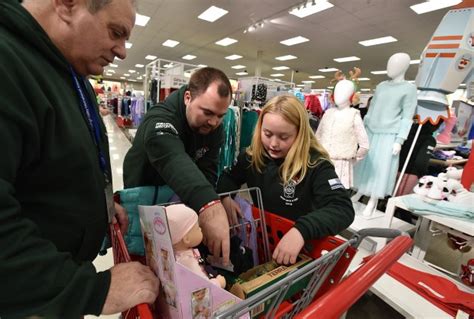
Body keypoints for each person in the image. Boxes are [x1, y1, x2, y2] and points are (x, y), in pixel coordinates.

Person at [0, 0, 159, 317]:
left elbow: (57, 161)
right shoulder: (8, 63)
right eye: (116, 32)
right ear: (66, 4)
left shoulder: (69, 72)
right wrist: (94, 291)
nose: (122, 51)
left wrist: (98, 203)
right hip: (28, 300)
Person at [216, 95, 355, 265]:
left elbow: (342, 209)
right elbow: (228, 177)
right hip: (265, 243)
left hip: (302, 252)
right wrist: (226, 197)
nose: (273, 144)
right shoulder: (253, 156)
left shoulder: (316, 165)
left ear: (300, 134)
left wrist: (301, 230)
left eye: (283, 137)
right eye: (267, 134)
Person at [123, 67, 233, 264]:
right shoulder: (160, 118)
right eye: (208, 112)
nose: (215, 121)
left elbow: (208, 169)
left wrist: (204, 206)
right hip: (146, 200)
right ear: (188, 97)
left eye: (221, 115)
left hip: (180, 205)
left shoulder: (214, 127)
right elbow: (171, 157)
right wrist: (209, 204)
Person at [352, 53, 417, 217]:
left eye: (394, 64)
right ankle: (360, 192)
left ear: (404, 67)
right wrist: (363, 130)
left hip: (389, 135)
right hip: (371, 131)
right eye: (389, 64)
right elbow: (371, 109)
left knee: (381, 168)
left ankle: (373, 200)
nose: (390, 68)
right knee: (364, 164)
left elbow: (407, 117)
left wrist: (400, 140)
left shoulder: (409, 89)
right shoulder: (381, 86)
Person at [316, 79, 369, 189]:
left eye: (345, 92)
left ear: (352, 96)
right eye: (337, 91)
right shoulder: (328, 113)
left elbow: (364, 145)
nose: (339, 95)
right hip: (322, 161)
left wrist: (352, 160)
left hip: (341, 165)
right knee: (319, 190)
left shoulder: (353, 115)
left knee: (334, 193)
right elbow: (318, 137)